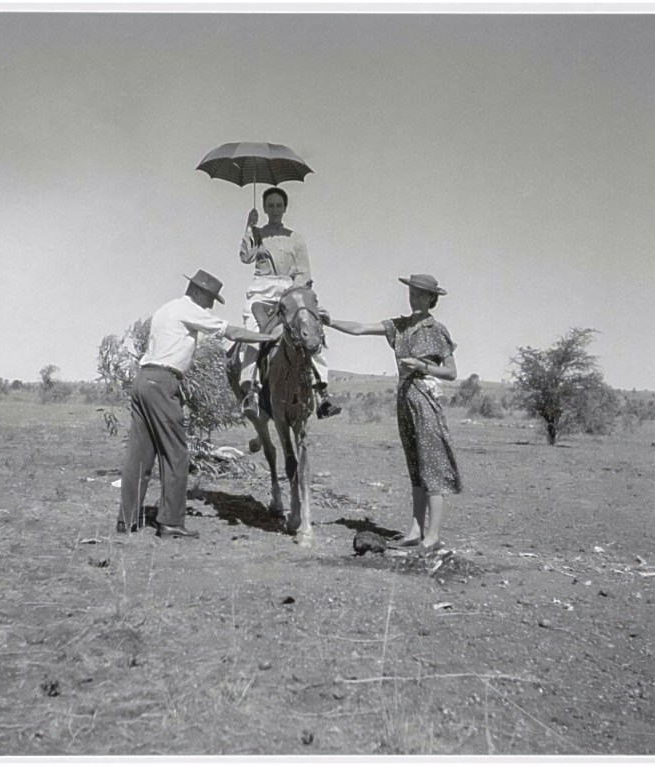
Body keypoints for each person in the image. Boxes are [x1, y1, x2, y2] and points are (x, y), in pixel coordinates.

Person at [116, 269, 277, 538]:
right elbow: (232, 332)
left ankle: (127, 520)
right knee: (176, 454)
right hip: (163, 383)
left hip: (143, 381)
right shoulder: (190, 309)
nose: (211, 305)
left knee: (139, 455)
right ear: (199, 292)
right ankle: (171, 522)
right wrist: (268, 338)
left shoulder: (168, 309)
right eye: (211, 298)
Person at [326, 273, 462, 550]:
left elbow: (451, 372)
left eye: (420, 294)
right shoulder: (398, 326)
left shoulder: (437, 330)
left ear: (431, 298)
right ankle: (415, 530)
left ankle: (433, 535)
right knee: (415, 466)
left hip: (425, 397)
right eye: (412, 293)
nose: (414, 298)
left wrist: (422, 367)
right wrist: (329, 321)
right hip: (404, 398)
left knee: (432, 464)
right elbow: (360, 328)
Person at [239, 186, 341, 419]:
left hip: (290, 290)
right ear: (264, 208)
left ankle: (321, 393)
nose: (274, 209)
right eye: (270, 205)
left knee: (313, 330)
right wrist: (248, 227)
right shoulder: (257, 232)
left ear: (285, 208)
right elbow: (245, 257)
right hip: (261, 290)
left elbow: (303, 272)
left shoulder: (295, 238)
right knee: (253, 334)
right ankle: (251, 391)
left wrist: (298, 294)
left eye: (278, 205)